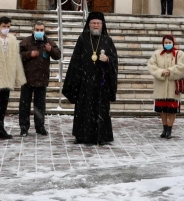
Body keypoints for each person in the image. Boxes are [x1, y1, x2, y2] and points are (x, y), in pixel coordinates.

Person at [62, 12, 119, 145]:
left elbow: (115, 59)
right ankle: (81, 135)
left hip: (101, 82)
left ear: (102, 25)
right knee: (83, 108)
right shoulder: (82, 39)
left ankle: (102, 136)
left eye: (98, 23)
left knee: (101, 109)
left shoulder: (107, 40)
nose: (96, 25)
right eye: (93, 23)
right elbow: (75, 60)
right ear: (89, 24)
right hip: (85, 81)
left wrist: (108, 59)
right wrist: (76, 78)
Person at [19, 21, 61, 136]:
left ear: (44, 31)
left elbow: (58, 55)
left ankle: (40, 127)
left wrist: (50, 50)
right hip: (27, 78)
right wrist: (29, 54)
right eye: (37, 30)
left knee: (40, 106)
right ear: (33, 30)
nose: (39, 32)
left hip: (42, 79)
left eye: (41, 30)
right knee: (24, 105)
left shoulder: (48, 42)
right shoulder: (26, 42)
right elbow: (17, 54)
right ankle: (24, 128)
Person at [147, 35, 184, 139]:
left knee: (172, 109)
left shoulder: (180, 54)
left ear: (173, 42)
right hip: (161, 85)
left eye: (169, 42)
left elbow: (182, 67)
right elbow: (151, 66)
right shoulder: (157, 54)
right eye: (166, 42)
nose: (167, 44)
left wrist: (171, 71)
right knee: (163, 109)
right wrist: (160, 72)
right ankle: (164, 128)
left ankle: (169, 129)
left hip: (173, 86)